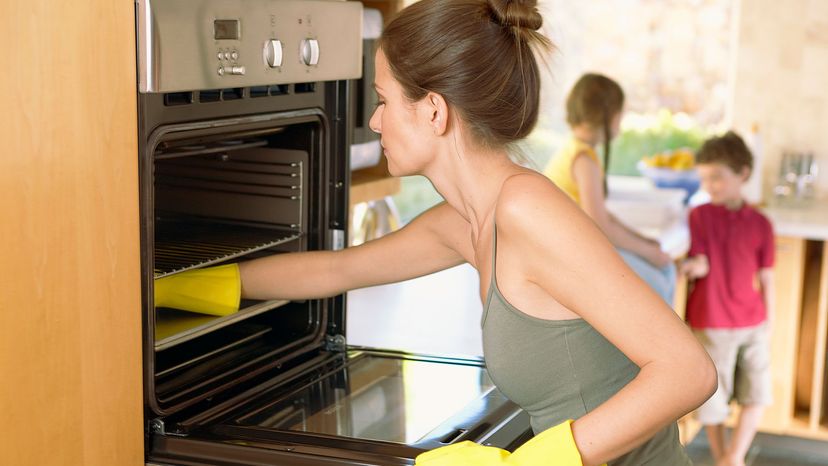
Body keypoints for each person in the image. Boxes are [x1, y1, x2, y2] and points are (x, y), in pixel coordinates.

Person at [157, 0, 716, 464]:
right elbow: (334, 270)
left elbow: (687, 371)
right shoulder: (466, 221)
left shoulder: (528, 208)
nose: (374, 121)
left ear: (433, 110)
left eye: (382, 101)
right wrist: (173, 287)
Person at [679, 131, 775, 466]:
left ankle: (734, 457)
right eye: (705, 178)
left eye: (717, 176)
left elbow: (767, 278)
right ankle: (724, 459)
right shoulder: (699, 216)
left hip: (753, 322)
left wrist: (769, 324)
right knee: (713, 400)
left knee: (758, 393)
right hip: (712, 321)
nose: (710, 185)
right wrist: (688, 267)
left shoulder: (761, 224)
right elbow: (701, 261)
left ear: (743, 173)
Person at [543, 74, 677, 305]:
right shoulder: (584, 160)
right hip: (571, 257)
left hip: (571, 250)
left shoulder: (576, 150)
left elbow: (601, 216)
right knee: (659, 281)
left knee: (663, 270)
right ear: (608, 116)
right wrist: (649, 252)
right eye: (620, 114)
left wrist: (644, 241)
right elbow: (600, 226)